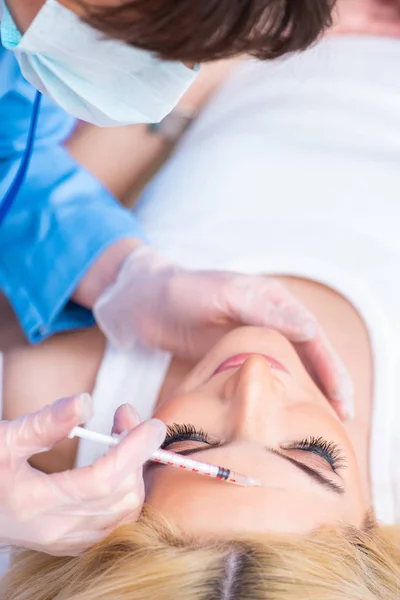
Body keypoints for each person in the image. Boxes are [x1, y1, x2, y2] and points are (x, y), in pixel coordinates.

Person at [1, 0, 400, 595]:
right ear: (378, 528)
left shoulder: (53, 398)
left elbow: (18, 173)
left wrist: (215, 48)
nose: (256, 381)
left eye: (187, 443)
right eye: (314, 455)